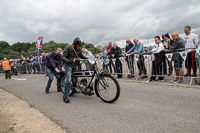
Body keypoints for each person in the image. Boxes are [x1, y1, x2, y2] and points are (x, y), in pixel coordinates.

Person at [62, 37, 89, 103]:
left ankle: (74, 88)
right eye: (79, 45)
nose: (79, 47)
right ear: (75, 43)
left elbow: (81, 55)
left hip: (75, 65)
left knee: (76, 78)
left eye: (80, 45)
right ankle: (65, 96)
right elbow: (63, 57)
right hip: (68, 65)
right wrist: (68, 61)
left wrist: (88, 58)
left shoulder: (78, 49)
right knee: (68, 80)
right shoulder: (69, 47)